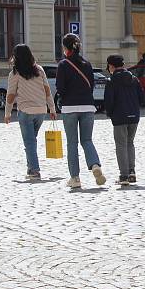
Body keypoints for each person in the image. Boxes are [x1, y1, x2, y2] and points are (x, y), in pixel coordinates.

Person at [56, 33, 106, 189]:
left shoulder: (63, 65)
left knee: (72, 143)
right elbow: (91, 85)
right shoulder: (87, 64)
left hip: (70, 107)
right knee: (87, 140)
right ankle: (95, 165)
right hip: (87, 106)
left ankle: (75, 178)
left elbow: (60, 88)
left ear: (65, 48)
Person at [3, 44, 57, 180]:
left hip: (26, 111)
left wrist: (7, 113)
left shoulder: (15, 73)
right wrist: (52, 108)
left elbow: (10, 95)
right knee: (32, 140)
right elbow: (47, 90)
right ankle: (30, 167)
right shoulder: (39, 70)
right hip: (40, 111)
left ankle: (34, 170)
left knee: (29, 142)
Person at [104, 54, 145, 186]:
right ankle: (132, 172)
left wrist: (110, 114)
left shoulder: (111, 81)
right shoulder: (134, 79)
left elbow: (109, 101)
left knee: (121, 145)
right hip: (134, 116)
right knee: (130, 143)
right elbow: (142, 98)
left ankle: (124, 176)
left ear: (111, 66)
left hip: (119, 117)